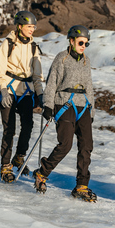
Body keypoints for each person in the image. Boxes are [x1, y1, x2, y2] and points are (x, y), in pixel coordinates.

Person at [32, 25, 97, 202]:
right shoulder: (61, 58)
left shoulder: (86, 61)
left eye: (86, 43)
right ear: (71, 41)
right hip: (64, 105)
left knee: (86, 146)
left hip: (83, 106)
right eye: (81, 42)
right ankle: (41, 173)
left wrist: (91, 108)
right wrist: (47, 105)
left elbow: (89, 86)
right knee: (65, 145)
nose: (84, 45)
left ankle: (81, 185)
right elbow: (52, 82)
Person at [0, 11, 44, 183]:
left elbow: (37, 75)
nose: (32, 29)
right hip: (8, 89)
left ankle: (19, 157)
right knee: (9, 129)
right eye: (29, 26)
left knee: (28, 126)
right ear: (20, 26)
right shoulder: (7, 43)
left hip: (26, 91)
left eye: (33, 27)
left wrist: (41, 94)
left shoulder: (33, 47)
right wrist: (2, 90)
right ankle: (5, 165)